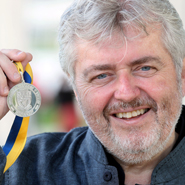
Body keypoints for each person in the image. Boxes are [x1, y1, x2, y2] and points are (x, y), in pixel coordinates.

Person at [0, 0, 185, 184]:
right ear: (76, 90)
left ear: (182, 75)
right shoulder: (19, 169)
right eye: (102, 76)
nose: (126, 93)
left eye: (145, 68)